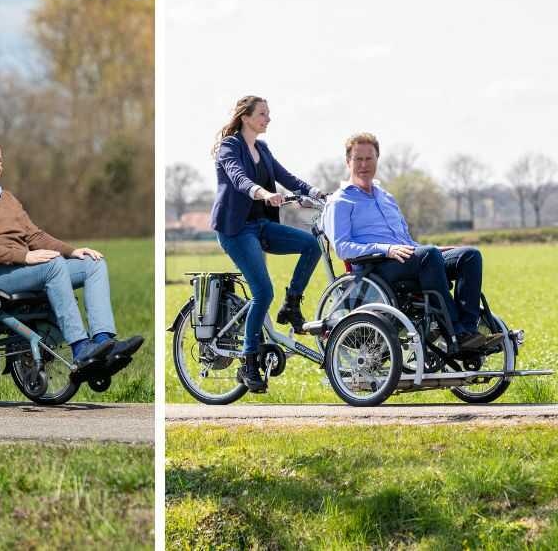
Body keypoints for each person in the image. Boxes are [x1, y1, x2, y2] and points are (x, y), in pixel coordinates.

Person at [0, 139, 145, 373]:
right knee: (53, 265)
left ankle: (103, 343)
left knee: (93, 264)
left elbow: (35, 236)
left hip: (19, 270)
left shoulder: (8, 199)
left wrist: (72, 251)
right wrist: (24, 257)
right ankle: (81, 347)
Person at [323, 132, 497, 354]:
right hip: (375, 269)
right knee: (428, 256)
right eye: (358, 159)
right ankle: (455, 334)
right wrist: (386, 249)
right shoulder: (340, 201)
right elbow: (342, 247)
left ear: (377, 159)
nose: (364, 165)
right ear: (348, 162)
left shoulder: (386, 198)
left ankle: (469, 330)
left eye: (369, 159)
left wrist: (430, 248)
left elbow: (405, 240)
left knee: (469, 255)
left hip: (408, 257)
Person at [211, 95, 323, 393]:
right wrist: (262, 193)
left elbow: (285, 176)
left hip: (261, 226)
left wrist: (316, 192)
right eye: (263, 113)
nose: (268, 118)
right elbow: (238, 179)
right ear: (246, 117)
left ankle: (291, 304)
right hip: (235, 229)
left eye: (268, 114)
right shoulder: (229, 146)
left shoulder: (262, 148)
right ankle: (248, 361)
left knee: (312, 245)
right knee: (262, 291)